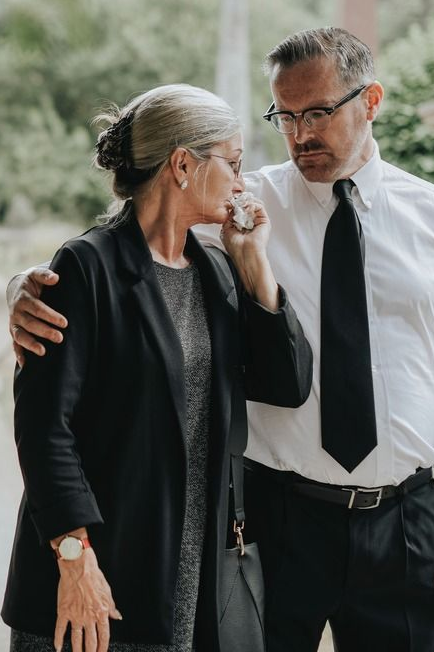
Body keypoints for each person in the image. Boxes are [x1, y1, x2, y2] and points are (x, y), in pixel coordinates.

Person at [6, 28, 434, 652]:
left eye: (317, 113)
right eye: (284, 117)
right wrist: (30, 284)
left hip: (404, 521)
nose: (299, 135)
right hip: (276, 517)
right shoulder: (242, 205)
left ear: (370, 100)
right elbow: (124, 243)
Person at [1, 83, 313, 652]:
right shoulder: (85, 267)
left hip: (186, 578)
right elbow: (46, 430)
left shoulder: (216, 271)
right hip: (91, 578)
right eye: (234, 162)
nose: (243, 182)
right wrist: (76, 561)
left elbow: (287, 385)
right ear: (183, 164)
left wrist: (254, 265)